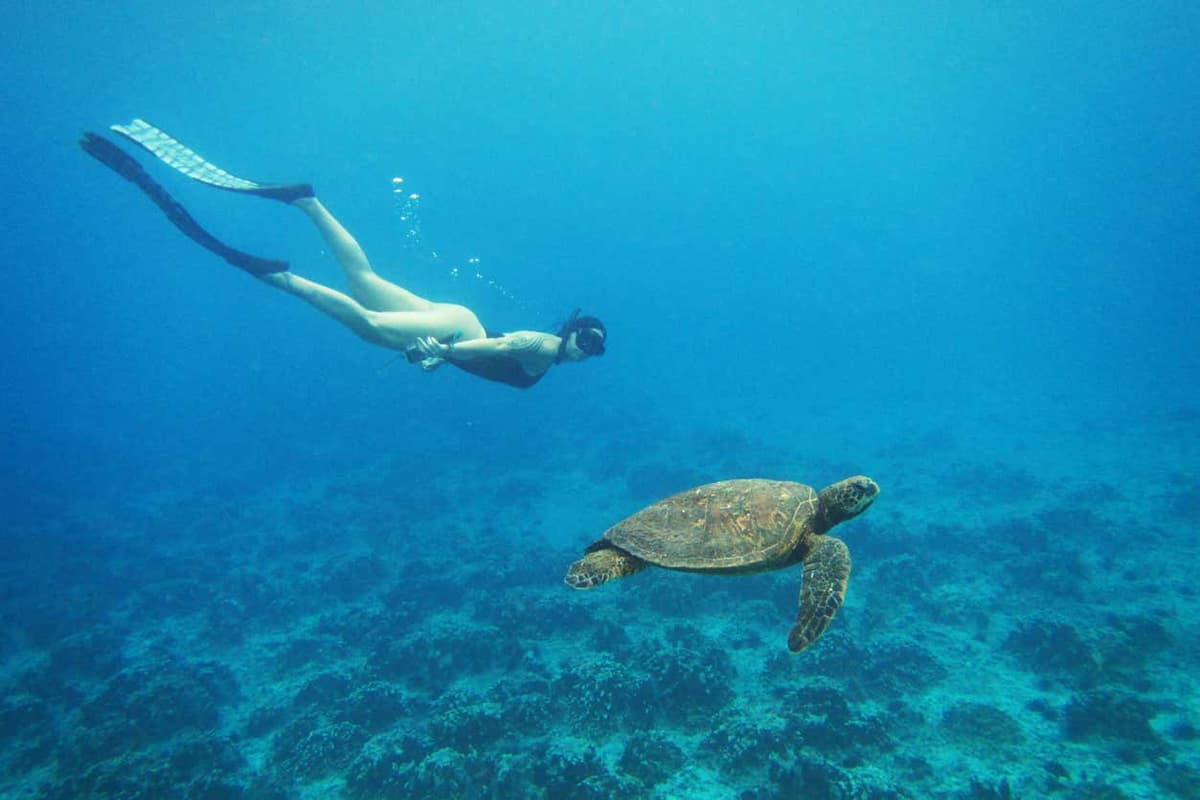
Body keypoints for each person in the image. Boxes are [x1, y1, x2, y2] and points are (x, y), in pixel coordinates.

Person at [79, 119, 606, 389]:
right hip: (459, 332)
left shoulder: (549, 353)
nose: (586, 349)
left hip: (459, 323)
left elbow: (494, 351)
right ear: (572, 331)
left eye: (594, 348)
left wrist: (443, 359)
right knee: (370, 325)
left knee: (362, 279)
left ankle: (307, 201)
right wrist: (445, 354)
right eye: (587, 339)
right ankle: (281, 279)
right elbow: (500, 347)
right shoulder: (545, 347)